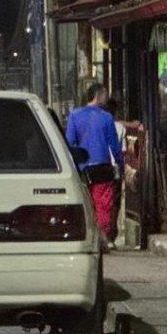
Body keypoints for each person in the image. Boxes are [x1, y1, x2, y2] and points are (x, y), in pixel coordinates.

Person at [65, 82, 123, 251]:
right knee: (102, 204)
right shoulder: (106, 117)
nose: (106, 98)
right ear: (98, 95)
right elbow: (114, 145)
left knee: (85, 203)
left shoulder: (75, 116)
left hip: (81, 168)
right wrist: (120, 164)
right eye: (105, 94)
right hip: (102, 168)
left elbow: (69, 143)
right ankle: (102, 238)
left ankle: (87, 238)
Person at [104, 96, 128, 246]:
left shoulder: (95, 125)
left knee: (100, 201)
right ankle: (111, 235)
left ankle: (102, 232)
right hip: (115, 169)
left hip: (98, 167)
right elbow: (122, 151)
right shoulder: (120, 128)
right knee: (114, 202)